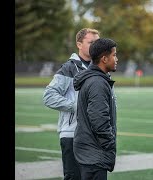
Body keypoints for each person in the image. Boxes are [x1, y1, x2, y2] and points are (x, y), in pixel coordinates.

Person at [43, 28, 100, 180]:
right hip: (72, 135)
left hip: (96, 136)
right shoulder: (68, 68)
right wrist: (77, 106)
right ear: (79, 44)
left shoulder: (102, 69)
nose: (96, 46)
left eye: (98, 43)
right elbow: (49, 96)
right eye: (91, 43)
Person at [73, 38, 118, 180]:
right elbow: (99, 119)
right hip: (95, 152)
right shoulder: (97, 83)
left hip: (91, 151)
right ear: (104, 59)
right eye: (114, 55)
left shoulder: (96, 79)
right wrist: (109, 144)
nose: (117, 59)